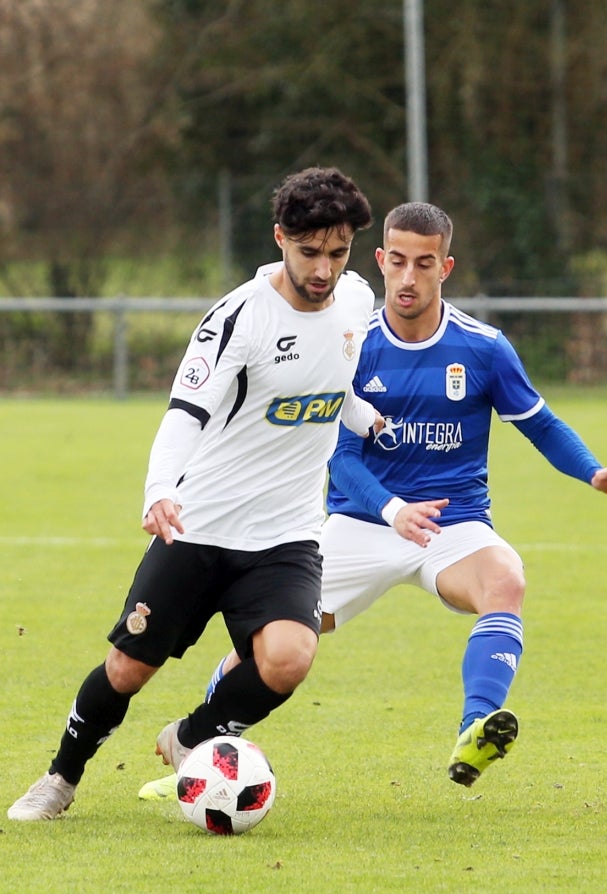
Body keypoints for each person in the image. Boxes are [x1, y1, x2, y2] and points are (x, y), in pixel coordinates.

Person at [137, 201, 607, 802]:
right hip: (358, 523)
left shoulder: (483, 348)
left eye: (423, 264)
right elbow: (338, 453)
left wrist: (592, 471)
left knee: (505, 580)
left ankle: (473, 729)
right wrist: (393, 509)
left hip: (453, 525)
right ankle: (193, 742)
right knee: (272, 647)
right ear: (378, 261)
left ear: (445, 267)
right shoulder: (350, 340)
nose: (407, 278)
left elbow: (541, 423)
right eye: (396, 261)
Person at [8, 166, 381, 821]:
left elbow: (330, 384)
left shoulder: (355, 301)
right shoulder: (237, 318)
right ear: (279, 239)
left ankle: (190, 737)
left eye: (337, 252)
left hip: (287, 533)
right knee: (126, 671)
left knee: (290, 658)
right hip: (199, 527)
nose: (323, 269)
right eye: (308, 252)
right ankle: (60, 779)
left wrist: (366, 420)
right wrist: (160, 490)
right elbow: (186, 411)